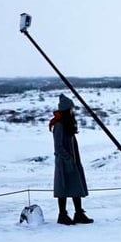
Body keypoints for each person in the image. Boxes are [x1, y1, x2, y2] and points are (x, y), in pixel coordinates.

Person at [50, 94, 93, 225]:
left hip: (72, 161)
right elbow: (58, 146)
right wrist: (68, 159)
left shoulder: (67, 124)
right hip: (64, 162)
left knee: (76, 186)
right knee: (63, 188)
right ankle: (62, 215)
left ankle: (78, 213)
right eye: (71, 109)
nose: (72, 111)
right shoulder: (59, 125)